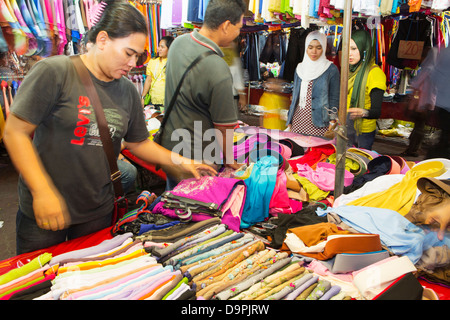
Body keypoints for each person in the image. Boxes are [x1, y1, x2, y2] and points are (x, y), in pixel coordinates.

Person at [3, 1, 216, 255]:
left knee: (90, 282)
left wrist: (182, 162)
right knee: (36, 286)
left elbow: (139, 143)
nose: (133, 62)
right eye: (128, 53)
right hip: (45, 211)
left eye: (139, 56)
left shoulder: (126, 90)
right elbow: (15, 132)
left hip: (97, 211)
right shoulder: (55, 72)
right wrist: (42, 190)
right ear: (103, 39)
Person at [161, 0, 246, 190]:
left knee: (171, 203)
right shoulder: (217, 68)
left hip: (169, 148)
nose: (239, 32)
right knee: (195, 212)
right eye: (239, 27)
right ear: (225, 26)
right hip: (198, 159)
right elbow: (223, 128)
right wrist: (231, 160)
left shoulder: (178, 43)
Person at [285, 30, 340, 136]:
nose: (314, 52)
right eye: (310, 47)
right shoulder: (300, 68)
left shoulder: (331, 69)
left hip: (320, 123)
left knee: (316, 151)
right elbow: (295, 95)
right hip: (298, 120)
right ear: (306, 47)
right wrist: (290, 119)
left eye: (318, 48)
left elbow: (334, 97)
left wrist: (333, 120)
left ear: (324, 48)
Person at [346, 29, 386, 150]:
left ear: (364, 50)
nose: (349, 53)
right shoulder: (350, 70)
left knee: (359, 164)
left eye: (354, 49)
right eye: (348, 48)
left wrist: (363, 112)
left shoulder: (375, 74)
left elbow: (376, 111)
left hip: (363, 133)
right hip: (346, 127)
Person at [140, 36, 174, 109]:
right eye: (159, 46)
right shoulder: (152, 62)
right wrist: (143, 97)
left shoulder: (172, 62)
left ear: (169, 48)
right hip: (153, 101)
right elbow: (148, 80)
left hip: (168, 101)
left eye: (162, 47)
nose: (159, 49)